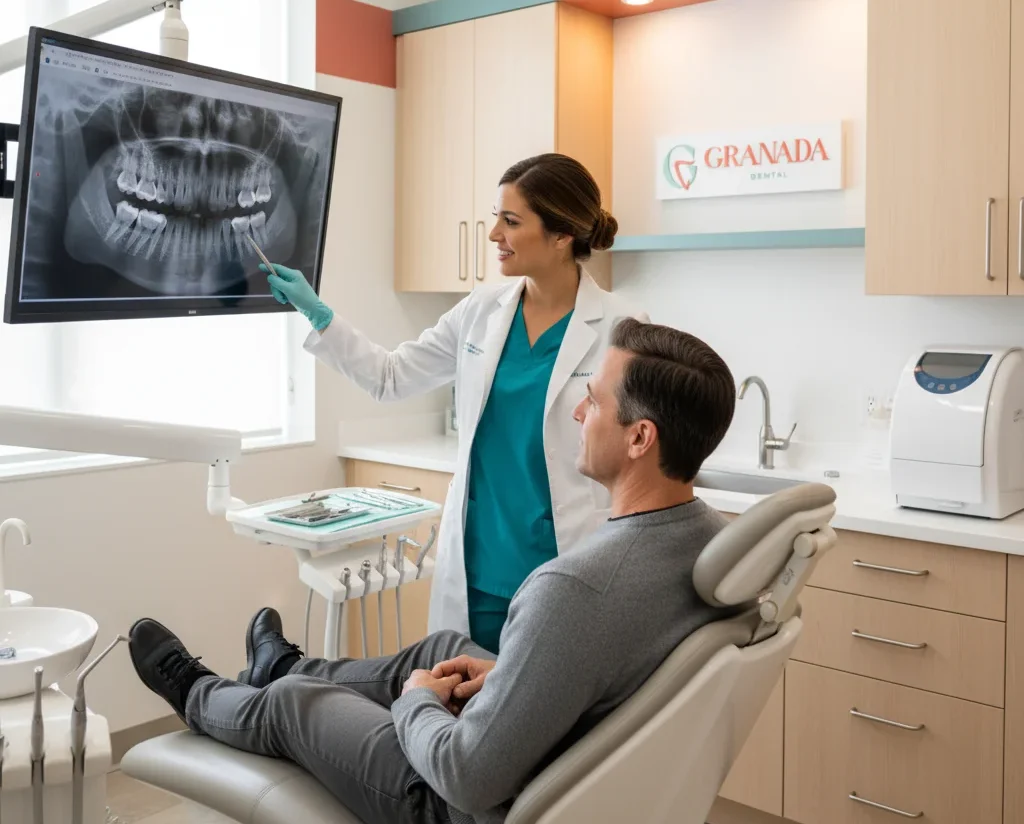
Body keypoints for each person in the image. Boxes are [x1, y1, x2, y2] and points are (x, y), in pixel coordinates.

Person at [128, 318, 736, 824]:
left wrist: (416, 701)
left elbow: (465, 778)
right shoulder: (713, 544)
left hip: (456, 803)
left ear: (640, 438)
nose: (578, 411)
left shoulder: (575, 589)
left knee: (296, 704)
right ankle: (281, 665)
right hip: (562, 746)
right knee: (444, 648)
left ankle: (199, 692)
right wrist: (511, 676)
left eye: (595, 400)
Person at [258, 153, 648, 652]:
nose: (494, 234)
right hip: (479, 568)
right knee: (459, 692)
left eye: (511, 222)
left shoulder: (623, 327)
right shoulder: (480, 311)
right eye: (496, 217)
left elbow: (640, 457)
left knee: (549, 696)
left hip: (566, 567)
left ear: (561, 235)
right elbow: (391, 377)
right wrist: (317, 313)